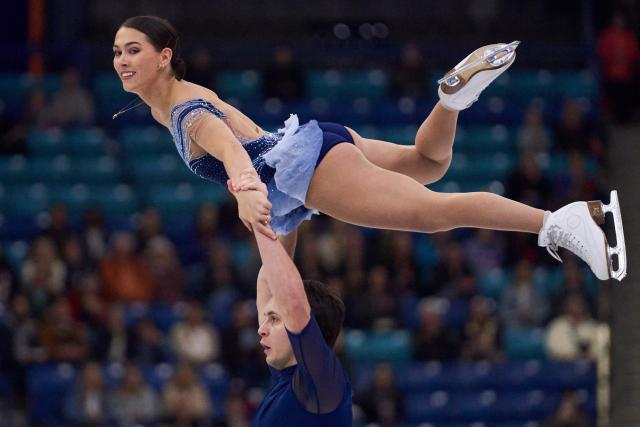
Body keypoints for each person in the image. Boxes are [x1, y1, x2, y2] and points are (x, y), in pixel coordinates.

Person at [112, 16, 625, 281]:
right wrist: (275, 264)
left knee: (434, 214)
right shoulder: (168, 104)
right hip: (311, 148)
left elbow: (230, 149)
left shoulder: (183, 110)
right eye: (116, 51)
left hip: (306, 166)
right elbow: (259, 164)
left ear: (165, 57)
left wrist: (245, 192)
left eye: (134, 50)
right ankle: (450, 99)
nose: (121, 59)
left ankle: (558, 222)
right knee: (427, 163)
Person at [247, 225, 351, 426]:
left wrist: (256, 217)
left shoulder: (321, 383)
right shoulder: (287, 376)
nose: (261, 328)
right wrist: (290, 218)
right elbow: (268, 280)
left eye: (275, 319)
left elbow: (294, 303)